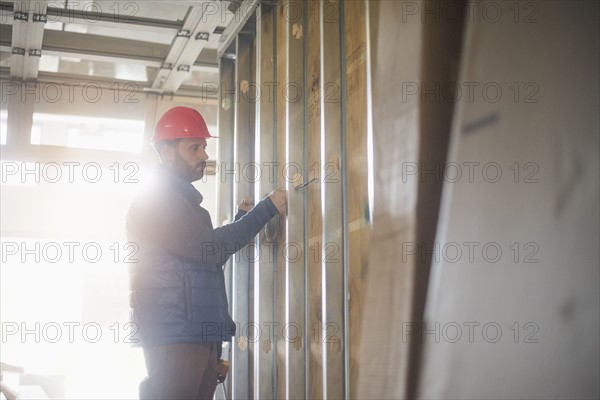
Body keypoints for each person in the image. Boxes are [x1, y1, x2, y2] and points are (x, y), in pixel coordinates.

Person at [126, 106, 287, 399]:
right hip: (176, 334)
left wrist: (241, 220)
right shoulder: (156, 200)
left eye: (204, 147)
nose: (204, 155)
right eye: (195, 147)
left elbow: (205, 260)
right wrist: (266, 209)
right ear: (166, 151)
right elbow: (208, 248)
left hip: (195, 332)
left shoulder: (183, 203)